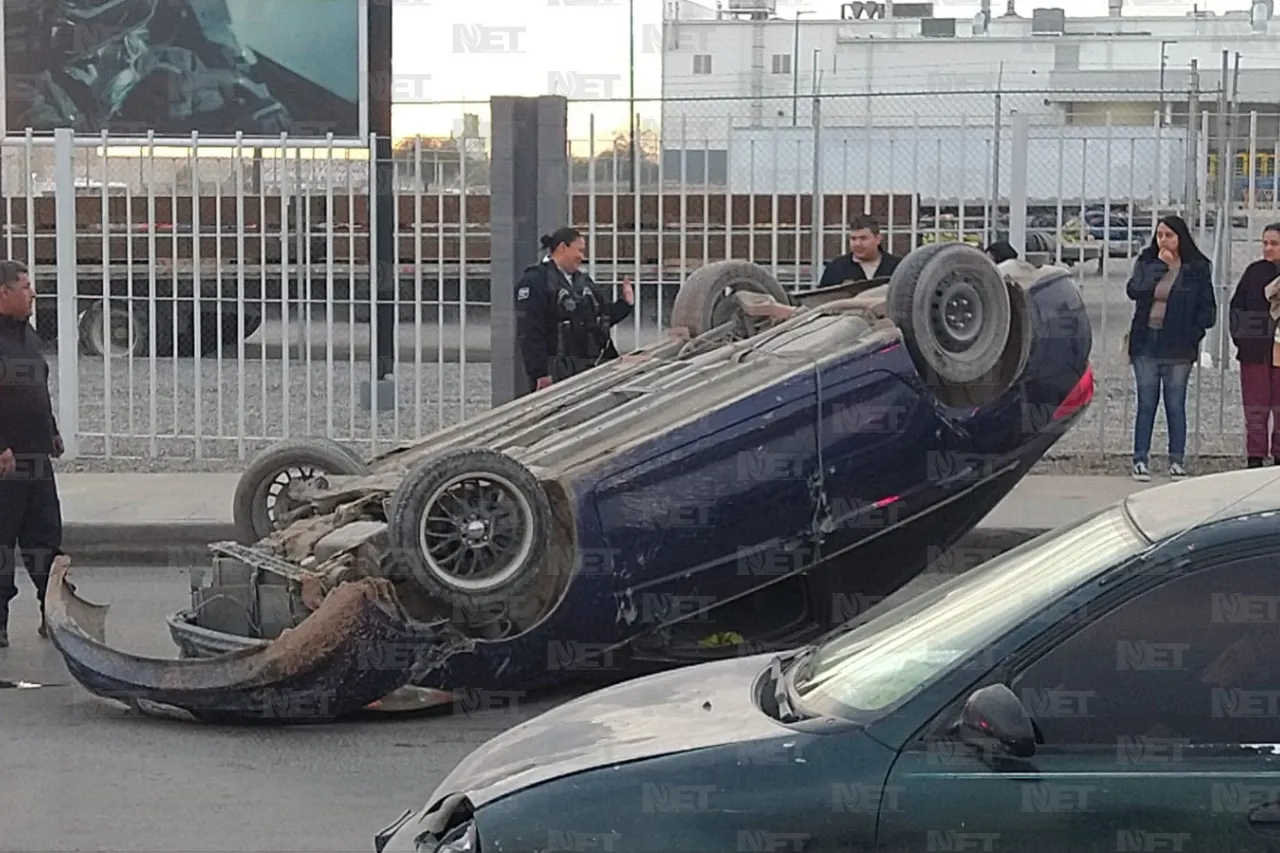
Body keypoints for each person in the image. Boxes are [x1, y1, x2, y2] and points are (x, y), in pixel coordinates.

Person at [0, 260, 65, 646]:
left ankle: (53, 612)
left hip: (36, 458)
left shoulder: (27, 336)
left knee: (45, 538)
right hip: (5, 462)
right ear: (3, 293)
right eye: (25, 287)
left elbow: (37, 389)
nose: (33, 293)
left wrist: (52, 431)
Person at [1124, 215, 1216, 483]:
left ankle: (1177, 460)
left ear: (1180, 238)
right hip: (1147, 341)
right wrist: (1157, 269)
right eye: (1159, 235)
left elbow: (1207, 309)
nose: (1162, 240)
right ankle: (1140, 459)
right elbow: (1134, 291)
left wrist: (1192, 335)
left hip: (1179, 345)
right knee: (1146, 402)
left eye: (1168, 235)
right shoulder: (1147, 261)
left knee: (1175, 403)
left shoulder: (1197, 267)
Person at [515, 228, 634, 394]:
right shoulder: (535, 281)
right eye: (579, 250)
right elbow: (530, 332)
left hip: (591, 369)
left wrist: (625, 305)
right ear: (562, 247)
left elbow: (599, 321)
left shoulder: (583, 282)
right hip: (558, 374)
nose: (582, 257)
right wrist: (540, 373)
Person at [1228, 223, 1280, 468]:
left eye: (1274, 244)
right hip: (1255, 351)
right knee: (1256, 407)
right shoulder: (1254, 272)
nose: (1268, 248)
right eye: (1265, 243)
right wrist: (1244, 339)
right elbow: (1237, 308)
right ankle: (1256, 456)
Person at [818, 215, 902, 286]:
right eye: (853, 239)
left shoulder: (898, 268)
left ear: (878, 239)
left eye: (863, 238)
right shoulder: (835, 269)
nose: (857, 244)